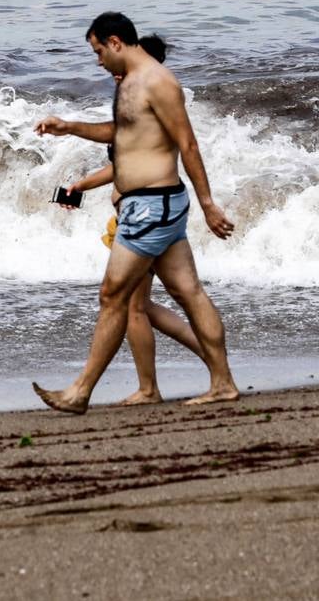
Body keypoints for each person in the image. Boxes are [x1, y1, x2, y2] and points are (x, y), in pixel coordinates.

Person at [33, 12, 239, 412]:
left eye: (97, 52)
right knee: (188, 293)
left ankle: (79, 392)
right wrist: (69, 127)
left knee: (114, 295)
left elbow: (188, 145)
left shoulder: (158, 81)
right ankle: (223, 383)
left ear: (114, 42)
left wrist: (208, 204)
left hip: (151, 208)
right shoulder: (130, 82)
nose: (97, 61)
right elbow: (123, 132)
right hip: (151, 207)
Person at [58, 34, 207, 405]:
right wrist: (81, 186)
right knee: (145, 305)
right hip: (140, 216)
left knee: (134, 306)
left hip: (144, 217)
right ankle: (211, 355)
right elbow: (120, 165)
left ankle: (148, 389)